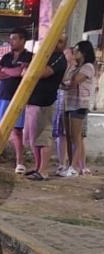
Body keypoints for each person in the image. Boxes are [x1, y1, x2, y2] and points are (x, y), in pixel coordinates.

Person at [23, 35, 68, 181]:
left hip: (45, 102)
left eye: (60, 41)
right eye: (56, 40)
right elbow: (25, 72)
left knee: (43, 137)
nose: (56, 44)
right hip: (34, 101)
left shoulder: (59, 58)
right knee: (34, 138)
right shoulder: (46, 55)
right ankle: (37, 167)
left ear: (64, 44)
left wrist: (30, 70)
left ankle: (43, 171)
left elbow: (42, 73)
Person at [0, 28, 33, 174]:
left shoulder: (29, 56)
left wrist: (6, 71)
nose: (11, 41)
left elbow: (21, 73)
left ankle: (20, 162)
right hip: (2, 97)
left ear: (23, 40)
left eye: (14, 38)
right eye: (11, 38)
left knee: (17, 131)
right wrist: (12, 72)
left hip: (17, 98)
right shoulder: (6, 57)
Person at [61, 40, 96, 177]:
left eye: (76, 50)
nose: (73, 53)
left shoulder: (88, 67)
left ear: (84, 52)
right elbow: (64, 82)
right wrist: (70, 67)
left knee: (76, 136)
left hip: (79, 104)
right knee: (69, 136)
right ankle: (70, 164)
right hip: (68, 103)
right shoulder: (74, 67)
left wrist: (70, 65)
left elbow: (74, 82)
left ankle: (74, 167)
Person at [52, 43, 73, 175]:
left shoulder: (76, 69)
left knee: (72, 135)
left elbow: (69, 84)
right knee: (60, 134)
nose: (65, 56)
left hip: (72, 104)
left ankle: (73, 164)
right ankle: (62, 163)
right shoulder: (62, 67)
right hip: (60, 103)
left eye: (67, 53)